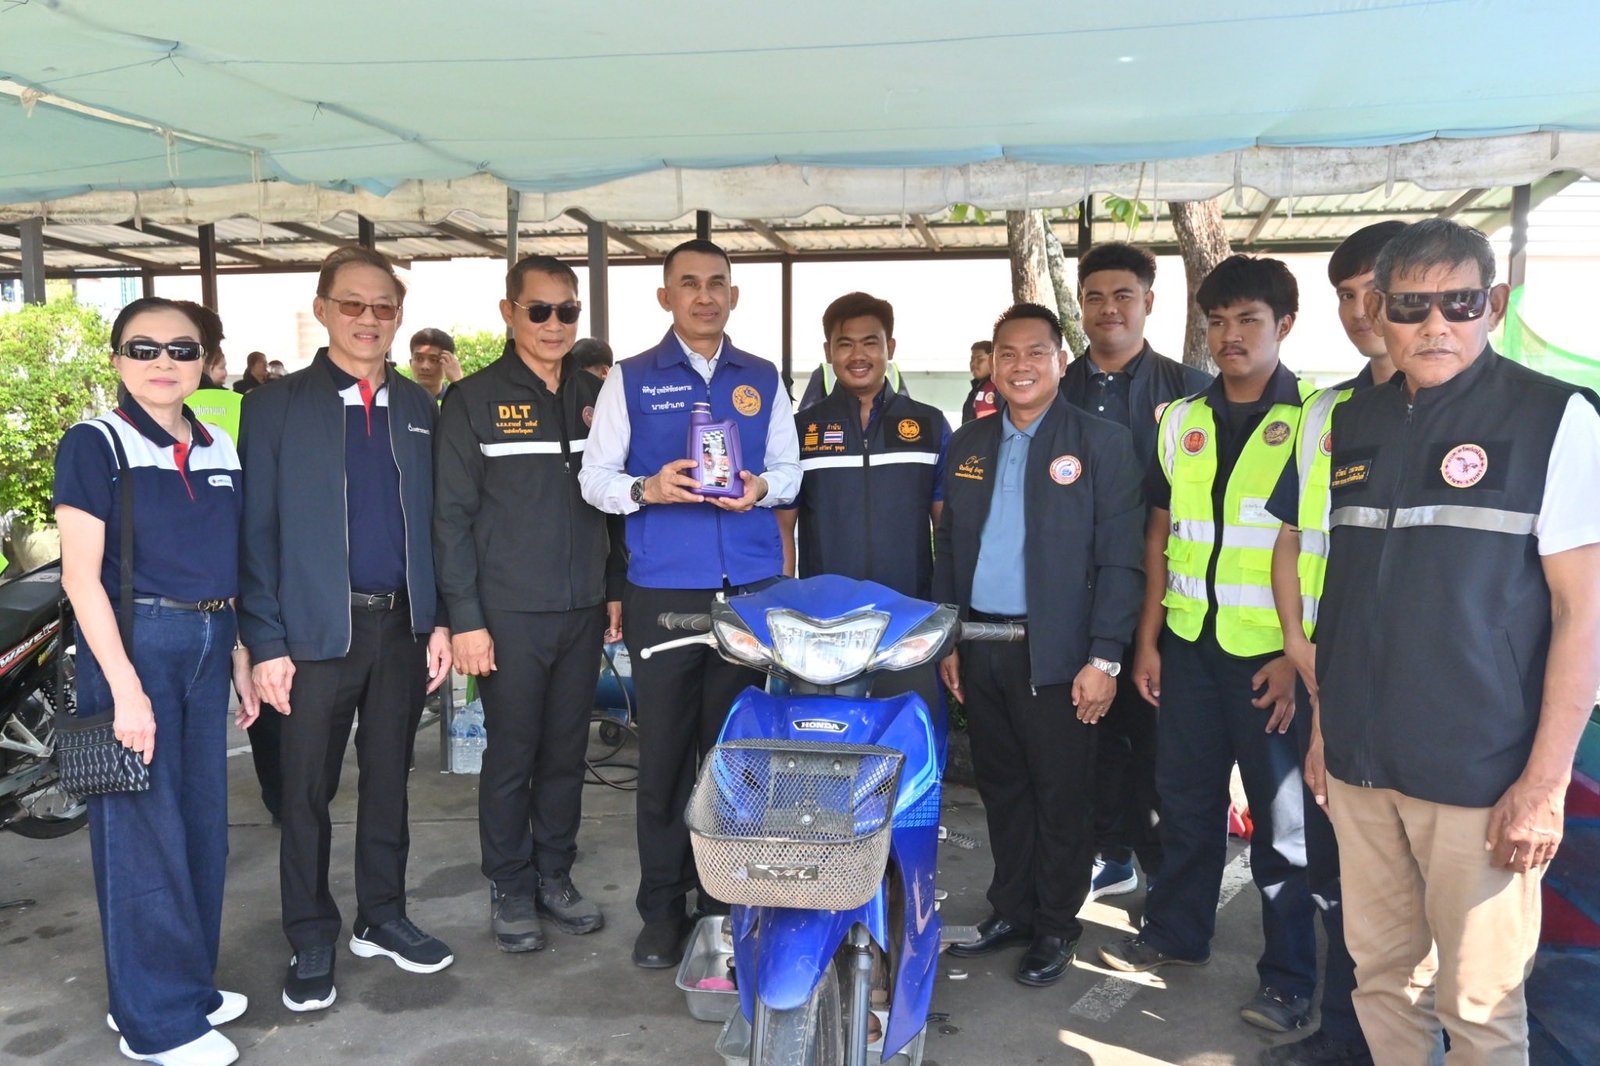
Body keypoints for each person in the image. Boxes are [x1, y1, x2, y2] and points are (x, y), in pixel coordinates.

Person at [1308, 219, 1600, 1065]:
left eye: (1460, 303)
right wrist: (1327, 729)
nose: (1436, 324)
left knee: (1479, 1005)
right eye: (1411, 306)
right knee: (1381, 979)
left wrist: (1544, 786)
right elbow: (1344, 595)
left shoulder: (1555, 417)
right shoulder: (1355, 420)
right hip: (1362, 767)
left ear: (1494, 305)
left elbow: (1583, 612)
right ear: (1379, 312)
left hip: (1481, 777)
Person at [1099, 255, 1318, 1036]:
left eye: (1248, 320)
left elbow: (1323, 550)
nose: (1231, 336)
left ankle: (1289, 977)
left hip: (1271, 660)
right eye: (1218, 321)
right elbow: (1160, 536)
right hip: (1188, 644)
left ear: (1284, 325)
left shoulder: (1316, 423)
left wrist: (1297, 655)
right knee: (1186, 802)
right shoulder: (1181, 420)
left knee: (1283, 827)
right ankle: (1176, 931)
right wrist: (1148, 642)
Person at [238, 246, 454, 1014]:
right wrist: (265, 644)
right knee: (305, 792)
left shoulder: (420, 407)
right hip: (311, 636)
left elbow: (439, 525)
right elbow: (254, 534)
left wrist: (439, 619)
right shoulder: (274, 407)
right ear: (323, 308)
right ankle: (310, 933)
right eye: (353, 304)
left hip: (400, 628)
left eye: (383, 307)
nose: (369, 319)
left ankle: (382, 916)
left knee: (390, 779)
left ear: (397, 316)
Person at [578, 238, 801, 969]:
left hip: (751, 591)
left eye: (716, 283)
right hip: (665, 592)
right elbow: (594, 478)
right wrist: (647, 489)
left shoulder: (761, 377)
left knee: (737, 758)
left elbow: (790, 471)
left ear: (733, 295)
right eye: (689, 284)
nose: (704, 296)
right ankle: (662, 909)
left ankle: (727, 902)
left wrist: (759, 488)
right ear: (665, 296)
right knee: (668, 756)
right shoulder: (632, 378)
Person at [55, 297, 259, 1066]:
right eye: (143, 349)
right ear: (117, 360)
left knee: (201, 825)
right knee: (141, 835)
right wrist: (126, 689)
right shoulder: (97, 442)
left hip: (209, 637)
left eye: (182, 348)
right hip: (135, 644)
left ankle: (184, 986)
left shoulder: (216, 443)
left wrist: (239, 653)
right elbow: (81, 578)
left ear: (206, 361)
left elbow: (227, 560)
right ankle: (157, 1023)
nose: (163, 362)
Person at [936, 302, 1144, 986]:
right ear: (991, 365)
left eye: (1035, 352)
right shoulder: (969, 443)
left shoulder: (1101, 443)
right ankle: (1012, 911)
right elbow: (950, 545)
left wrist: (1105, 657)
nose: (1019, 365)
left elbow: (1121, 560)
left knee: (1061, 795)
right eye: (1007, 353)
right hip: (982, 643)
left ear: (1061, 361)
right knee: (1003, 788)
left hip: (1060, 656)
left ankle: (1056, 924)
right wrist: (949, 636)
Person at [433, 255, 625, 953]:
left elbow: (614, 503)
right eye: (538, 310)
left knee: (566, 752)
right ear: (509, 313)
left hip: (582, 610)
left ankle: (555, 875)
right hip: (507, 614)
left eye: (566, 310)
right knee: (513, 754)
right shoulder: (473, 400)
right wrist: (466, 619)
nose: (553, 324)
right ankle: (510, 884)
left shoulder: (599, 395)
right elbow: (450, 519)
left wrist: (613, 589)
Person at [1261, 220, 1406, 1066]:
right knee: (1337, 874)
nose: (1362, 312)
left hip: (1428, 693)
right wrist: (1295, 643)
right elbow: (1290, 539)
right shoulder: (1325, 413)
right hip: (1327, 675)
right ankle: (1346, 1038)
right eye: (1347, 296)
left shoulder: (1488, 412)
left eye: (1376, 293)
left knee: (1415, 895)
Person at [1059, 241, 1211, 907]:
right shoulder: (1054, 388)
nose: (1108, 308)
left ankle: (1167, 889)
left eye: (1123, 295)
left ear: (1149, 301)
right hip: (1074, 604)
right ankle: (1108, 856)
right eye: (1094, 297)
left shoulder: (1192, 392)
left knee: (1159, 754)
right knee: (1087, 746)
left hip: (1164, 604)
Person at [777, 292, 950, 715]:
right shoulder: (801, 429)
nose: (858, 355)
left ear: (890, 347)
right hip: (823, 627)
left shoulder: (929, 424)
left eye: (871, 342)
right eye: (845, 344)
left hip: (909, 622)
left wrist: (945, 611)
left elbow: (946, 528)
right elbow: (782, 526)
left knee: (905, 734)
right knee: (826, 737)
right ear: (828, 352)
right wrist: (785, 605)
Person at [409, 327, 461, 401]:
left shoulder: (454, 399)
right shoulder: (398, 398)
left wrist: (458, 381)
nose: (425, 366)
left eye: (434, 360)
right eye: (419, 359)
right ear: (410, 363)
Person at [960, 339, 998, 423]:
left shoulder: (1000, 388)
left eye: (980, 359)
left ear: (992, 360)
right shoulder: (976, 389)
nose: (973, 364)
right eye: (972, 359)